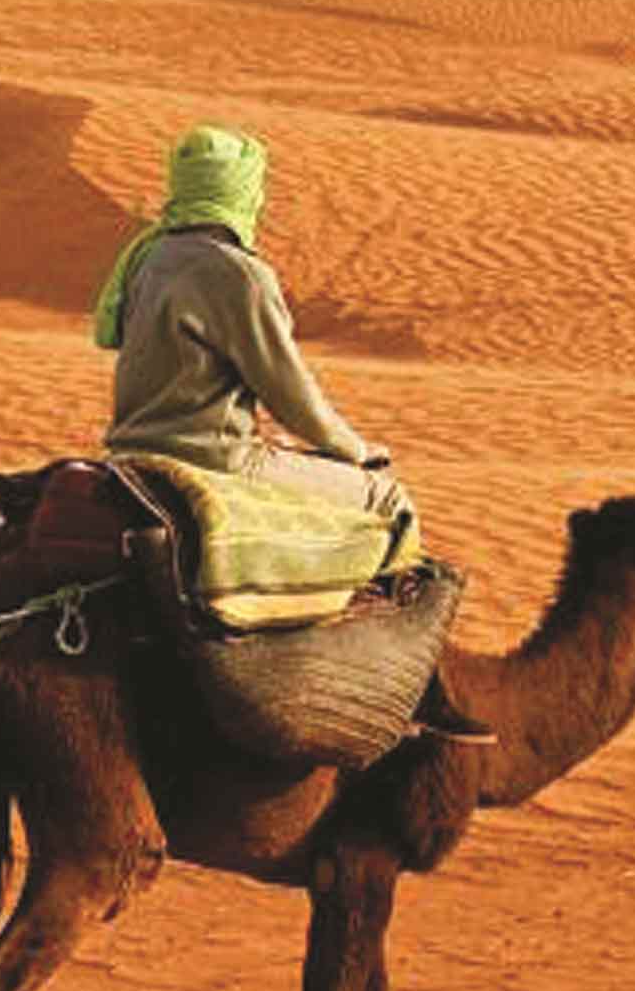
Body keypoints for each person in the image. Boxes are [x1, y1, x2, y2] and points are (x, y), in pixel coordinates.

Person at [92, 125, 482, 742]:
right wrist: (357, 453)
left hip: (132, 451)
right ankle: (419, 693)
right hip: (216, 456)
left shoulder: (149, 258)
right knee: (388, 500)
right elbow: (289, 391)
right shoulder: (237, 274)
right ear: (241, 193)